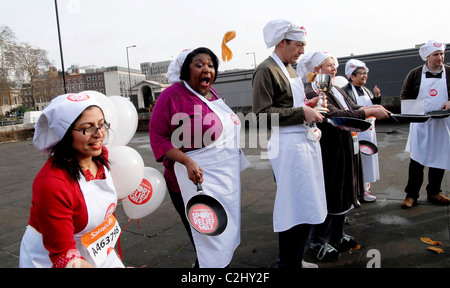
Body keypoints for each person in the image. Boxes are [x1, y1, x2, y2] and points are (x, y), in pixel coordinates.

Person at [149, 47, 249, 268]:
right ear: (186, 70)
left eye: (211, 65)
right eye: (199, 64)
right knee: (207, 240)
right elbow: (158, 137)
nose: (207, 69)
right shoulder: (172, 95)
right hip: (191, 182)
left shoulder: (211, 94)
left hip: (222, 179)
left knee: (221, 239)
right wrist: (186, 160)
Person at [297, 51, 391, 261]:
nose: (334, 69)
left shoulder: (335, 88)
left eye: (335, 65)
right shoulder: (312, 90)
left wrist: (371, 107)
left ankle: (337, 236)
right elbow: (331, 114)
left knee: (344, 191)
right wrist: (369, 112)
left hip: (346, 145)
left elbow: (352, 107)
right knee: (331, 193)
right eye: (329, 65)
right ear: (316, 69)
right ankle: (318, 240)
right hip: (329, 148)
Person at [252, 19, 328, 269]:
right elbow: (261, 115)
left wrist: (309, 105)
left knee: (304, 203)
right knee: (293, 206)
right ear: (282, 42)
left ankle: (295, 259)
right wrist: (301, 113)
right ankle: (287, 263)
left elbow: (288, 104)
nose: (302, 51)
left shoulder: (289, 68)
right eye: (299, 45)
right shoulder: (266, 70)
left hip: (300, 142)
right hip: (285, 146)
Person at [19, 92, 124, 268]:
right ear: (66, 134)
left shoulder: (100, 156)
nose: (99, 134)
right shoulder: (52, 184)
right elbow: (65, 258)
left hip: (94, 250)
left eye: (101, 124)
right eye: (87, 128)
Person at [400, 40, 450, 209]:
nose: (440, 57)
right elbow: (405, 95)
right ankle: (411, 195)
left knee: (439, 157)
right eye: (436, 54)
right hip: (420, 123)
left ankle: (434, 192)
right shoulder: (414, 74)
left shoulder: (449, 72)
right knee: (417, 160)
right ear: (427, 56)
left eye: (442, 54)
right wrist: (414, 109)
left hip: (442, 122)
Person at [342, 59, 381, 202]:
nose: (364, 76)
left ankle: (365, 189)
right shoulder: (346, 91)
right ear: (352, 76)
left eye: (365, 73)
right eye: (361, 73)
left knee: (368, 160)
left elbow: (373, 106)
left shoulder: (366, 90)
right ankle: (356, 192)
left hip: (369, 130)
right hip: (356, 131)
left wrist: (377, 97)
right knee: (356, 162)